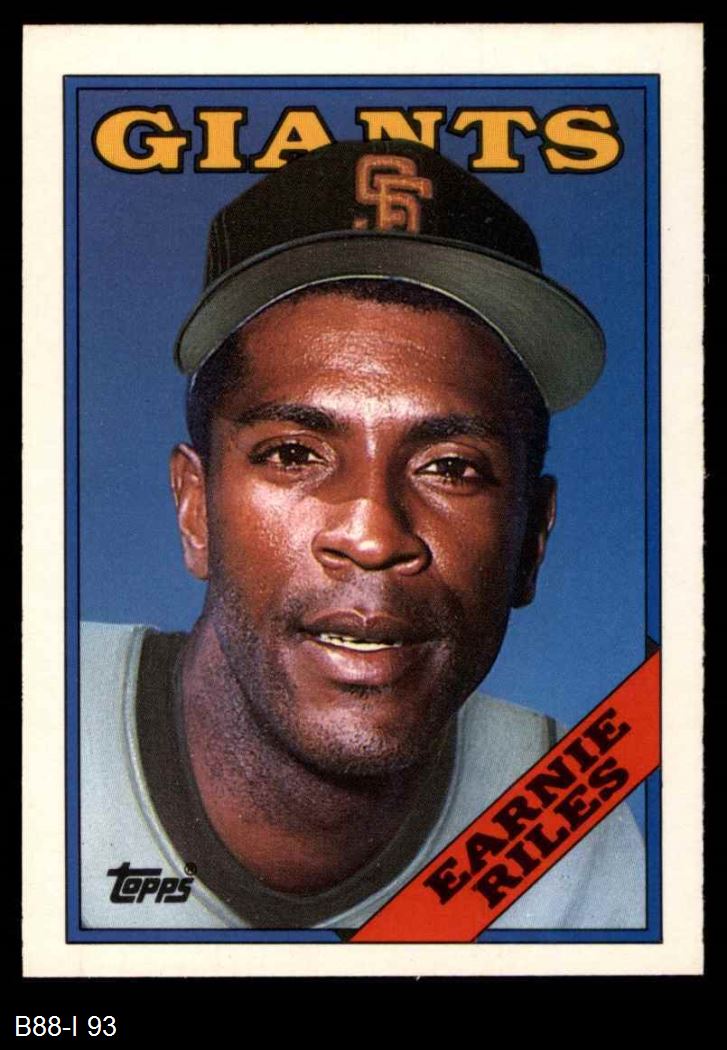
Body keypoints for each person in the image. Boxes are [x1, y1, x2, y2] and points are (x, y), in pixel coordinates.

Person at [80, 139, 645, 931]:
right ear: (194, 508)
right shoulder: (49, 723)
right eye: (293, 454)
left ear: (532, 540)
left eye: (450, 467)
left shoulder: (562, 812)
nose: (373, 534)